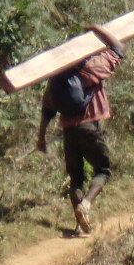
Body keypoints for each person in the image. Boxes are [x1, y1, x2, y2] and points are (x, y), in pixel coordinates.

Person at [38, 25, 124, 234]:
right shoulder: (93, 67)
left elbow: (48, 109)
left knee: (76, 178)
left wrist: (41, 137)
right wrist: (97, 28)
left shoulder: (57, 77)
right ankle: (86, 204)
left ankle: (79, 223)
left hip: (69, 132)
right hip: (89, 127)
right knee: (103, 171)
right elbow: (119, 49)